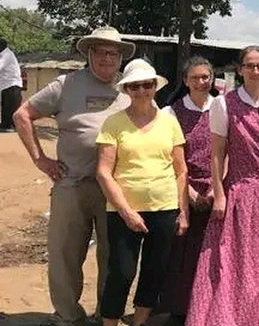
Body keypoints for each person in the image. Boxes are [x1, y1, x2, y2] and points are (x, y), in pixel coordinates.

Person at [13, 26, 135, 326]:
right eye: (101, 52)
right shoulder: (65, 84)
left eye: (113, 52)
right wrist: (41, 160)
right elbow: (22, 115)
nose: (108, 58)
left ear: (120, 57)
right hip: (72, 184)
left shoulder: (129, 89)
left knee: (113, 257)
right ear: (89, 53)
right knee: (65, 255)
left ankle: (106, 316)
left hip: (116, 190)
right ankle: (68, 316)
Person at [186, 46, 259, 326]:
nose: (256, 70)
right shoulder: (224, 104)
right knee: (234, 257)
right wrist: (220, 193)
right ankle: (234, 314)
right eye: (250, 65)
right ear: (241, 69)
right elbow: (217, 152)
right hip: (240, 189)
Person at [95, 59, 189, 326]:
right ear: (127, 90)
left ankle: (139, 322)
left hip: (164, 208)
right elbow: (103, 171)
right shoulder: (113, 123)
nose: (141, 91)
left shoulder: (169, 123)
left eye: (147, 85)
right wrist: (126, 211)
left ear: (154, 87)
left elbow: (180, 170)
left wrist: (183, 212)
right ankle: (110, 323)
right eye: (135, 86)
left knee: (154, 271)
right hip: (124, 211)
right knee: (121, 273)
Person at [159, 57, 217, 326]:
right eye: (195, 77)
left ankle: (210, 305)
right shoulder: (171, 113)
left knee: (212, 252)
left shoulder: (221, 107)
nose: (201, 82)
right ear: (185, 81)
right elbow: (169, 157)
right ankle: (179, 308)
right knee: (181, 253)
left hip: (216, 189)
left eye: (206, 77)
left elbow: (227, 152)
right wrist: (190, 193)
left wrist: (217, 188)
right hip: (183, 188)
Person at [0, 38, 23, 131]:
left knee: (11, 106)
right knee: (5, 106)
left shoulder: (7, 55)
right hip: (6, 85)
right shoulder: (3, 55)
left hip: (12, 84)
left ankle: (12, 126)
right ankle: (5, 125)